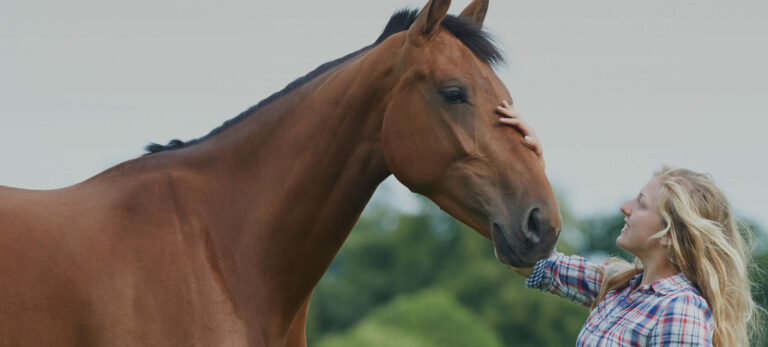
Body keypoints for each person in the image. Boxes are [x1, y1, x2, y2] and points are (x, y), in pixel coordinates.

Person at [495, 101, 761, 347]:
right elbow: (532, 258)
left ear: (668, 234)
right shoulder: (619, 286)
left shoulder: (680, 310)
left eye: (641, 203)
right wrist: (526, 165)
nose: (626, 208)